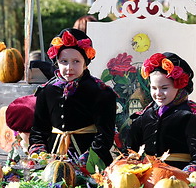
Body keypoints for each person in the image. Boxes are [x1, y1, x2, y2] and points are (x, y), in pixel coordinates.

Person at [28, 28, 117, 168]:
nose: (69, 67)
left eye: (76, 61)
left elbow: (105, 135)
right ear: (57, 62)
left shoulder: (101, 93)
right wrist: (41, 156)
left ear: (85, 63)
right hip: (53, 159)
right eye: (64, 61)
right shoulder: (47, 91)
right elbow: (39, 130)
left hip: (89, 161)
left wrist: (86, 160)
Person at [129, 52, 196, 170]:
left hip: (179, 180)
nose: (158, 94)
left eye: (164, 88)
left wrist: (188, 176)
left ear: (179, 85)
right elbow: (131, 151)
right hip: (148, 178)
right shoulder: (144, 116)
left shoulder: (190, 116)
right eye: (154, 88)